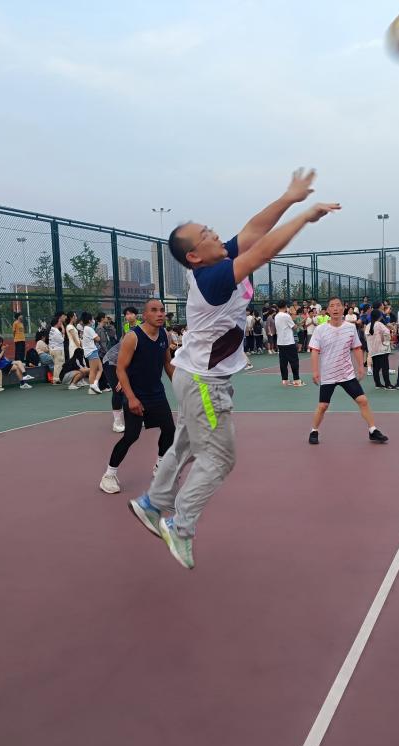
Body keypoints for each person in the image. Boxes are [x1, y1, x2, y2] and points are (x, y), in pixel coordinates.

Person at [128, 168, 339, 569]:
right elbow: (261, 252)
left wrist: (288, 198)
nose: (215, 235)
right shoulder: (213, 277)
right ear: (194, 255)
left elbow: (254, 231)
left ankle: (153, 503)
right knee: (219, 459)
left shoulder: (217, 260)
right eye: (207, 235)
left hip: (193, 376)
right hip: (204, 384)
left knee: (186, 443)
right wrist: (304, 217)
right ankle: (180, 526)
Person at [99, 299, 176, 494]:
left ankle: (160, 466)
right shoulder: (133, 337)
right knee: (131, 436)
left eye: (162, 310)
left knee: (169, 430)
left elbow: (167, 363)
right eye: (154, 310)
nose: (160, 314)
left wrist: (181, 386)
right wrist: (131, 398)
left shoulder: (165, 335)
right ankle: (109, 475)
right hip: (136, 394)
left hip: (157, 393)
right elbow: (121, 369)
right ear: (145, 315)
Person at [307, 297, 388, 445]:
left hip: (347, 373)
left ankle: (373, 430)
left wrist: (361, 367)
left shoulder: (350, 328)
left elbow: (356, 348)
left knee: (362, 400)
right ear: (328, 310)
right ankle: (314, 431)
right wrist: (315, 371)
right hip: (328, 374)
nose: (335, 308)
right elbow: (314, 351)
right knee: (323, 406)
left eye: (338, 305)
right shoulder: (320, 329)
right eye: (332, 306)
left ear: (343, 308)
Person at [274, 300, 303, 386]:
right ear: (285, 306)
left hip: (280, 342)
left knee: (283, 362)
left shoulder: (276, 316)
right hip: (288, 342)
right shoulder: (286, 316)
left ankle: (285, 380)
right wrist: (299, 323)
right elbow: (294, 327)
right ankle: (297, 380)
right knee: (294, 361)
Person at [366, 306, 393, 388]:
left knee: (376, 368)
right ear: (379, 316)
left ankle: (377, 384)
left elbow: (366, 337)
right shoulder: (379, 324)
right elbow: (387, 332)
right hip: (382, 349)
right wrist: (385, 340)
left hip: (373, 350)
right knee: (385, 367)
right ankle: (387, 384)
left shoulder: (368, 326)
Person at [80, 311, 103, 394]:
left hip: (91, 351)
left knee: (100, 369)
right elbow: (98, 339)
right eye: (92, 319)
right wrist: (97, 335)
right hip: (91, 351)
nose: (93, 320)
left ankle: (94, 384)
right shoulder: (89, 329)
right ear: (90, 320)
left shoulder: (86, 328)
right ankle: (92, 387)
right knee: (94, 370)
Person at [48, 312, 66, 384]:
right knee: (58, 365)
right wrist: (63, 333)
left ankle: (57, 379)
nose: (60, 323)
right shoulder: (56, 331)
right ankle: (56, 379)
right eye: (59, 322)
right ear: (56, 323)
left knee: (56, 365)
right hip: (57, 350)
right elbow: (62, 340)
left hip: (52, 349)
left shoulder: (51, 330)